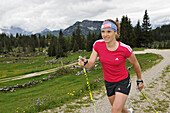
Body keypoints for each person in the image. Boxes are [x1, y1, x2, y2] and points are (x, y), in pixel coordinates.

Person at [78, 19, 144, 113]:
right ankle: (129, 112)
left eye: (109, 31)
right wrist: (84, 64)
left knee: (115, 110)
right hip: (108, 82)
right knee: (117, 107)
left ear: (115, 32)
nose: (105, 35)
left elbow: (135, 64)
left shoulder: (125, 49)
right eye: (103, 32)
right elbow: (90, 64)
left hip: (122, 81)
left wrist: (139, 80)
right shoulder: (97, 45)